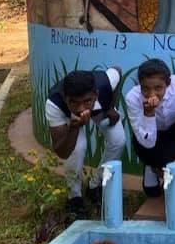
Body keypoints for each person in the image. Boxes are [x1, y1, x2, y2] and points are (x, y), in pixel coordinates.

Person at [45, 68, 125, 219]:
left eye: (87, 101)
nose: (81, 109)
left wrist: (110, 106)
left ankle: (96, 184)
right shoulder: (54, 104)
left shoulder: (106, 82)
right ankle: (74, 197)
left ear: (96, 94)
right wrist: (74, 127)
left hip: (101, 106)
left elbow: (118, 71)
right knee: (77, 148)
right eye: (74, 102)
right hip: (70, 119)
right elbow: (62, 152)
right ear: (65, 97)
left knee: (118, 140)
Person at [125, 59, 175, 197]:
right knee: (153, 191)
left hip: (172, 131)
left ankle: (161, 167)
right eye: (146, 88)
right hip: (146, 137)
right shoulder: (132, 98)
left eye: (158, 88)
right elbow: (147, 141)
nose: (151, 93)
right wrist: (149, 114)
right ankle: (151, 166)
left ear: (168, 83)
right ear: (139, 85)